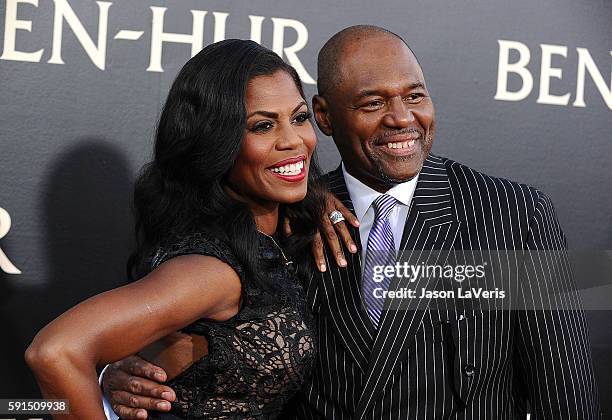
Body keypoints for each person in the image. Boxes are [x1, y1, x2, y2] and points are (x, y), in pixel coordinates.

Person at [103, 26, 601, 419]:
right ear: (323, 115)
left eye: (415, 95)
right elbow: (230, 364)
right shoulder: (285, 218)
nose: (402, 118)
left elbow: (566, 395)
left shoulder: (512, 216)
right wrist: (121, 377)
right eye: (373, 103)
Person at [25, 39, 333, 419]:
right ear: (216, 142)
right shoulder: (212, 271)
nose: (293, 141)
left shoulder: (280, 234)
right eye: (263, 126)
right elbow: (56, 351)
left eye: (299, 118)